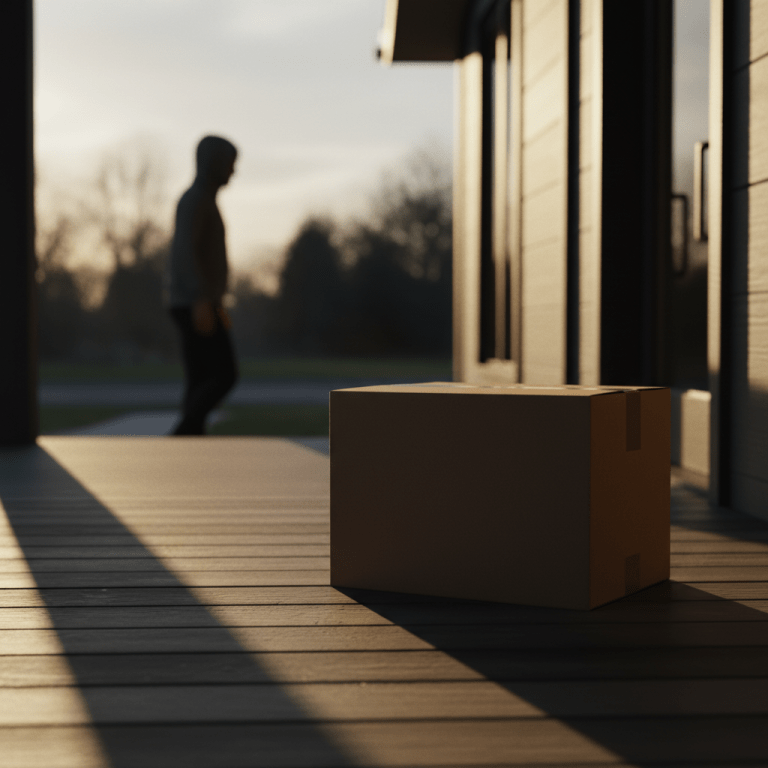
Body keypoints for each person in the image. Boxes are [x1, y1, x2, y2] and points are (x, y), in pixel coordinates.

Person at [166, 135, 239, 435]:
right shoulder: (195, 200)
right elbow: (184, 251)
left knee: (200, 377)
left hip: (201, 301)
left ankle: (190, 445)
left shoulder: (204, 201)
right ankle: (184, 433)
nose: (233, 172)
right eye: (229, 164)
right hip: (194, 302)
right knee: (224, 374)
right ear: (214, 163)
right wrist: (201, 299)